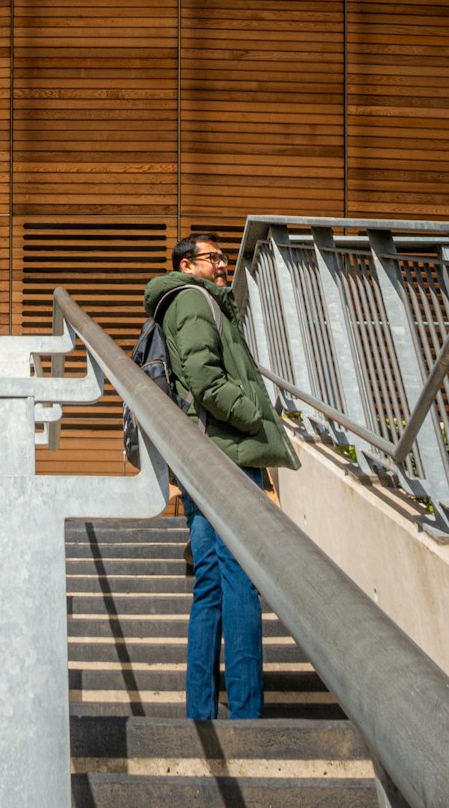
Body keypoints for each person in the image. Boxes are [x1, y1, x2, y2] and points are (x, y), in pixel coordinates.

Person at [144, 232, 299, 721]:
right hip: (226, 455)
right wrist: (256, 416)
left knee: (212, 580)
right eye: (214, 259)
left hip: (205, 457)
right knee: (239, 579)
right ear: (186, 265)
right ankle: (248, 713)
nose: (223, 267)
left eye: (224, 259)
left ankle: (201, 710)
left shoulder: (191, 302)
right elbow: (206, 380)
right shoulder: (192, 302)